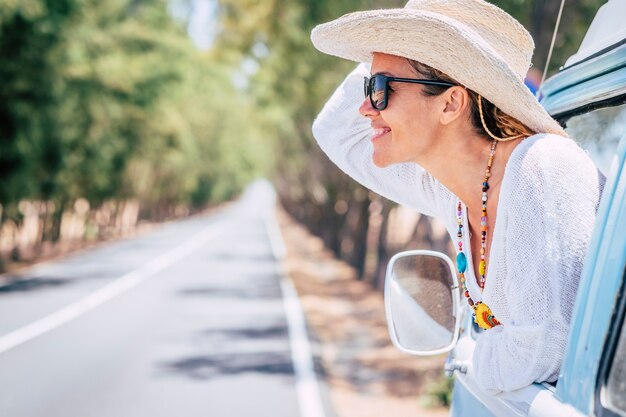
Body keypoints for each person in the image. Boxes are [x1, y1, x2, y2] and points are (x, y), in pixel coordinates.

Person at [309, 0, 606, 393]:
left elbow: (544, 350)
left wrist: (467, 358)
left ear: (450, 103)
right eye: (369, 88)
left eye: (380, 90)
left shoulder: (542, 167)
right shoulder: (451, 188)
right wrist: (407, 31)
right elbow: (335, 130)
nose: (366, 108)